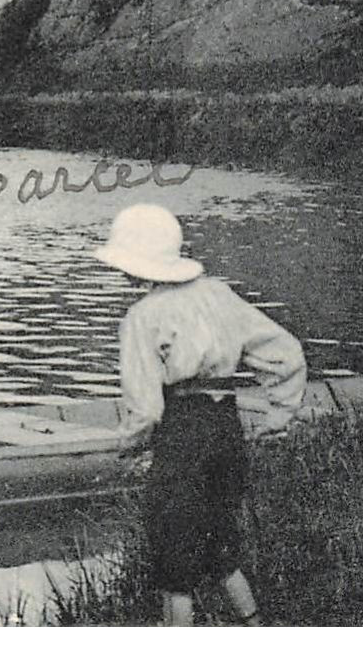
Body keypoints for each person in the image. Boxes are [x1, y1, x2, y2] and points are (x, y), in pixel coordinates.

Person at [93, 203, 307, 627]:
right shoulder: (218, 294)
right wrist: (279, 415)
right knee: (220, 537)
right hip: (225, 426)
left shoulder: (141, 317)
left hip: (183, 431)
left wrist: (130, 448)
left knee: (175, 552)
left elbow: (146, 407)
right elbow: (286, 354)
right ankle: (256, 625)